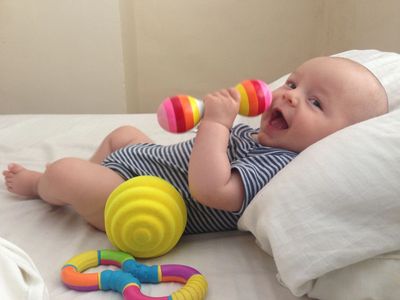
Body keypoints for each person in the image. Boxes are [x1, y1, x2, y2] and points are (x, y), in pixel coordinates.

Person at [2, 56, 388, 234]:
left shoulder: (279, 166)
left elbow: (210, 189)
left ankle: (45, 186)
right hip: (145, 172)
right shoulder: (263, 135)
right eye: (292, 84)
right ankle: (91, 182)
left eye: (315, 102)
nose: (290, 96)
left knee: (64, 171)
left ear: (338, 140)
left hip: (143, 206)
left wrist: (217, 123)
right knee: (122, 136)